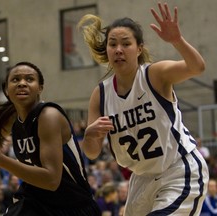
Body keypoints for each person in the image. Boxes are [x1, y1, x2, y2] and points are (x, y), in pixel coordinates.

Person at [78, 2, 209, 215]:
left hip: (178, 168)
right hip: (141, 178)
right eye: (112, 44)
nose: (118, 49)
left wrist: (177, 40)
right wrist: (90, 135)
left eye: (126, 44)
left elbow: (197, 67)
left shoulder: (154, 75)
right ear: (107, 50)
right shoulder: (100, 94)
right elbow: (91, 153)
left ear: (139, 49)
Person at [0, 61, 101, 215]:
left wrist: (0, 160)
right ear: (7, 90)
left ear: (40, 88)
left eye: (29, 79)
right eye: (15, 79)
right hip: (37, 200)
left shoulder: (48, 117)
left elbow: (51, 180)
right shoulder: (12, 115)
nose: (22, 83)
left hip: (72, 206)